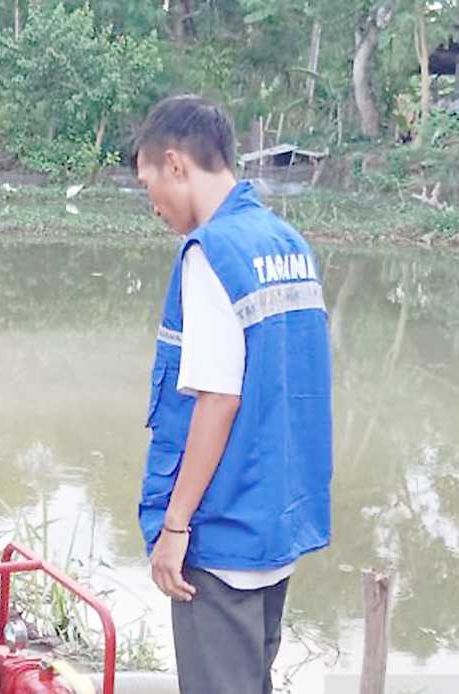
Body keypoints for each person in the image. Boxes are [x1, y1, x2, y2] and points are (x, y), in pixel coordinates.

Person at [132, 95, 333, 693]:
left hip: (222, 532)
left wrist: (174, 527)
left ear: (175, 164)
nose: (154, 206)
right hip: (276, 522)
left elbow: (218, 401)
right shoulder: (287, 244)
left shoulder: (211, 253)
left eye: (148, 185)